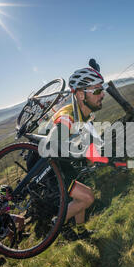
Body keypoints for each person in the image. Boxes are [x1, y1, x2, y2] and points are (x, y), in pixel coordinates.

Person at [41, 61, 107, 240]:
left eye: (103, 89)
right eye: (98, 90)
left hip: (61, 161)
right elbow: (51, 146)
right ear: (80, 94)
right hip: (47, 164)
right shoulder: (68, 115)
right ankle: (57, 225)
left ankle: (80, 231)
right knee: (87, 198)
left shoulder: (85, 115)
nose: (103, 94)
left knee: (82, 196)